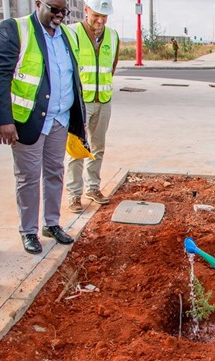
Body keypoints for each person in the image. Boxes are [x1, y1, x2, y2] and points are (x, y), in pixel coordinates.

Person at [0, 0, 86, 254]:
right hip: (29, 121)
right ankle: (29, 231)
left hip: (59, 118)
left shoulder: (67, 34)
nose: (59, 15)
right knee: (28, 177)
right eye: (54, 9)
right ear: (38, 4)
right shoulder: (16, 29)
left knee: (55, 171)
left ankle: (52, 224)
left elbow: (71, 75)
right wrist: (4, 119)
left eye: (63, 11)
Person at [65, 0, 119, 213]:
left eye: (104, 16)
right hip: (79, 102)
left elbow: (111, 68)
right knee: (77, 148)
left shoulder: (113, 37)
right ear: (86, 10)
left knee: (98, 148)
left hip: (103, 100)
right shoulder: (72, 34)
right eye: (96, 15)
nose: (100, 20)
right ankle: (74, 194)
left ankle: (93, 187)